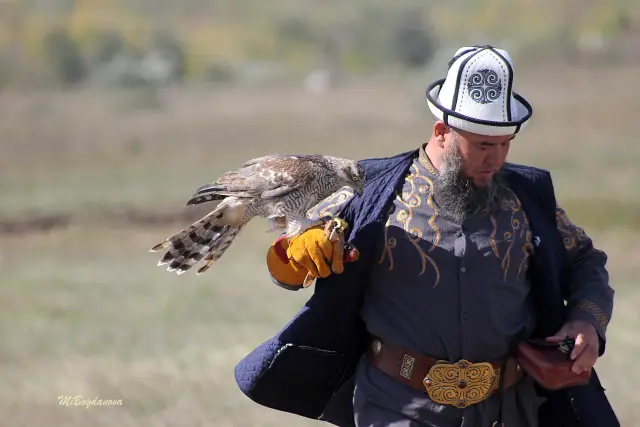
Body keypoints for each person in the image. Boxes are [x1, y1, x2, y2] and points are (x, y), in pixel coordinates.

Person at [234, 45, 619, 427]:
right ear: (442, 132)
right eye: (483, 145)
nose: (497, 160)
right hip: (398, 408)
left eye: (505, 145)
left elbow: (585, 260)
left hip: (510, 410)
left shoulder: (527, 198)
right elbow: (289, 262)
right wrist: (294, 258)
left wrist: (587, 321)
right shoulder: (371, 192)